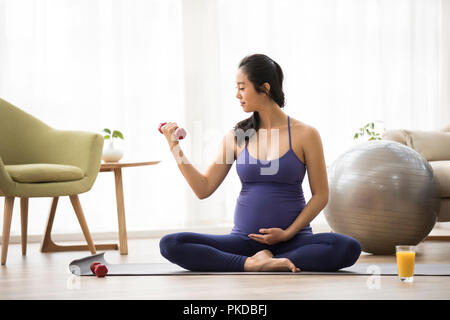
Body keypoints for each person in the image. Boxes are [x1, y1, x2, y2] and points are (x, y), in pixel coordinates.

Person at [159, 53, 362, 272]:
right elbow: (203, 188)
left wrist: (287, 233)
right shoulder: (237, 136)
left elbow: (321, 195)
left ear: (264, 88)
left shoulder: (306, 135)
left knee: (347, 247)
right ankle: (251, 263)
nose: (237, 95)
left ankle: (273, 259)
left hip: (294, 240)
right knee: (172, 244)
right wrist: (175, 148)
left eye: (242, 87)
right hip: (243, 242)